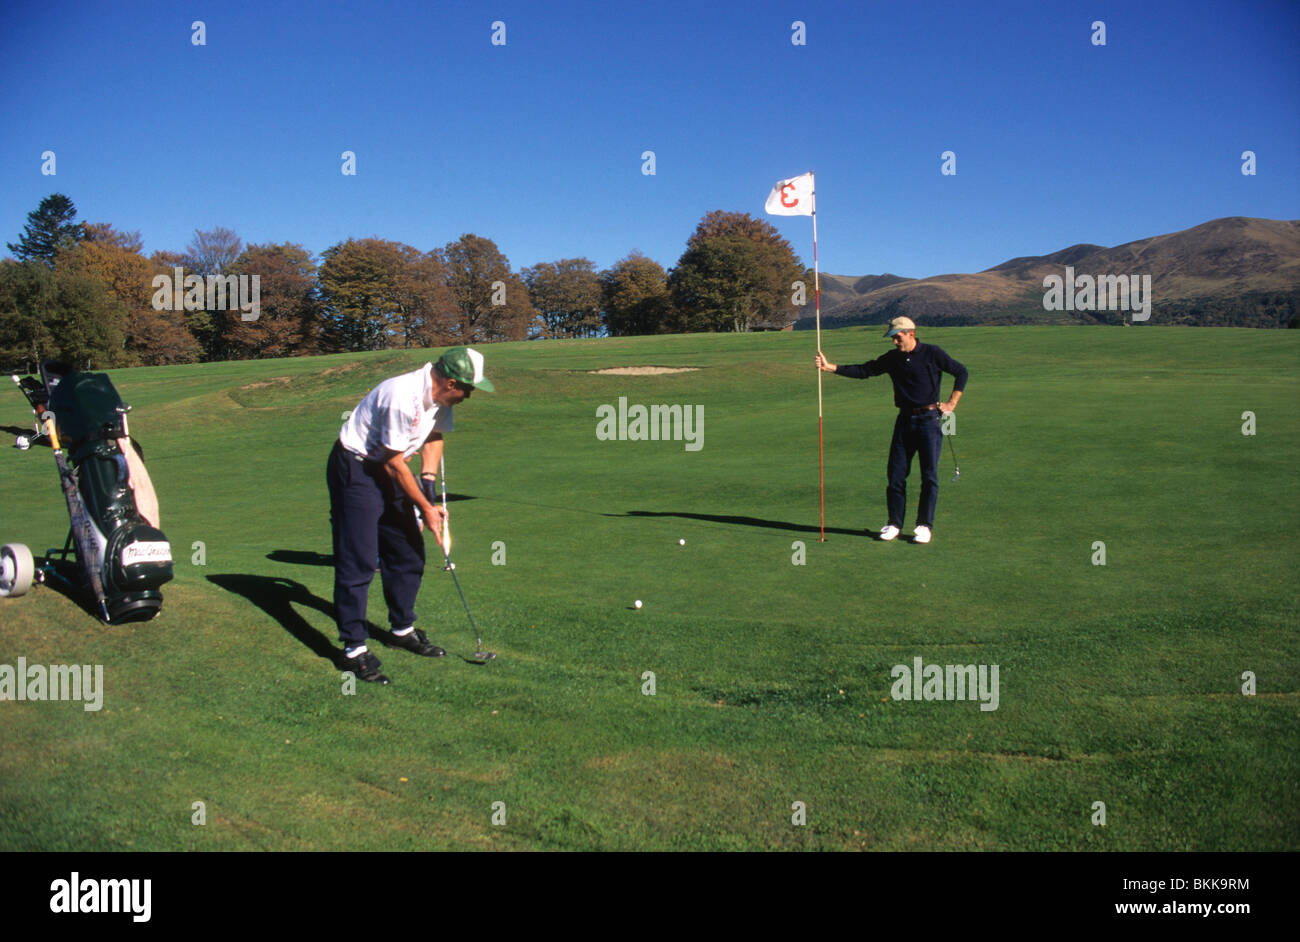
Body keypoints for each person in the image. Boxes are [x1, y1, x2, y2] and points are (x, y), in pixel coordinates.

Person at [327, 346, 494, 684]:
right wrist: (427, 510)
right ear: (450, 382)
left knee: (407, 550)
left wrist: (428, 489)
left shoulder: (441, 399)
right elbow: (393, 462)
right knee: (358, 559)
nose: (470, 396)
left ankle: (401, 629)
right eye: (469, 389)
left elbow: (433, 437)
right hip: (357, 468)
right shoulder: (400, 397)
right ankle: (353, 650)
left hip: (390, 467)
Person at [815, 316, 967, 544]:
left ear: (911, 333)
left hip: (929, 420)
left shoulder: (932, 353)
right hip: (904, 421)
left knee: (929, 476)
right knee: (896, 476)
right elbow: (866, 370)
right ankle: (894, 524)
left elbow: (961, 372)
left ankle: (924, 525)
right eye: (892, 338)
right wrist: (831, 368)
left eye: (898, 337)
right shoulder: (892, 358)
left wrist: (952, 403)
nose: (894, 341)